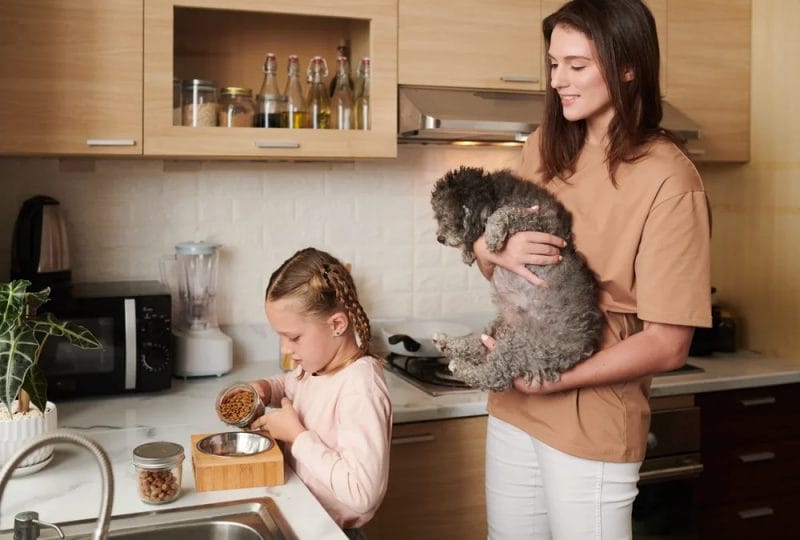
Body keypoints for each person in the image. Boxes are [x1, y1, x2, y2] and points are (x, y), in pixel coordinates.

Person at [471, 1, 712, 538]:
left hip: (592, 417)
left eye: (577, 66)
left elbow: (669, 343)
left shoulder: (670, 180)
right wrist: (495, 253)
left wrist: (550, 379)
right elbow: (498, 261)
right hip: (514, 405)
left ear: (628, 67)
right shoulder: (542, 149)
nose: (559, 80)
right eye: (554, 64)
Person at [246, 247, 392, 540]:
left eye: (294, 337)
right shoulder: (318, 365)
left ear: (337, 324)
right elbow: (292, 384)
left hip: (333, 532)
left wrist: (297, 437)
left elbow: (362, 493)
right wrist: (266, 389)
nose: (286, 348)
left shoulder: (360, 387)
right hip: (303, 517)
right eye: (281, 337)